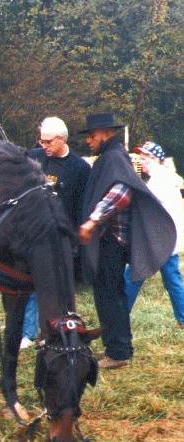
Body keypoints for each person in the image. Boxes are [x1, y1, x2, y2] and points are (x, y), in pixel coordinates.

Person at [78, 113, 176, 369]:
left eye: (91, 135)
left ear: (105, 133)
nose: (88, 141)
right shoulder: (110, 157)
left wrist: (92, 221)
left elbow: (121, 193)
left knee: (109, 295)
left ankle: (118, 353)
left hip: (112, 241)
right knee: (112, 294)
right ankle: (118, 349)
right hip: (111, 240)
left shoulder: (114, 157)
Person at [20, 117, 91, 349]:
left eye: (48, 142)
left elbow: (83, 206)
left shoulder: (79, 168)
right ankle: (27, 333)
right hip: (34, 233)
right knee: (29, 284)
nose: (44, 146)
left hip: (61, 238)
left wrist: (77, 241)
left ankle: (50, 331)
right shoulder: (35, 158)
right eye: (41, 141)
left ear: (61, 139)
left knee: (57, 288)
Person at [124, 142, 184, 327]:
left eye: (145, 158)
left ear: (156, 159)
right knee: (172, 278)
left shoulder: (159, 180)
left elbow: (144, 206)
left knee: (134, 274)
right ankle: (183, 317)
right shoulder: (164, 177)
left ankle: (120, 315)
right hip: (165, 238)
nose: (142, 162)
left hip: (159, 239)